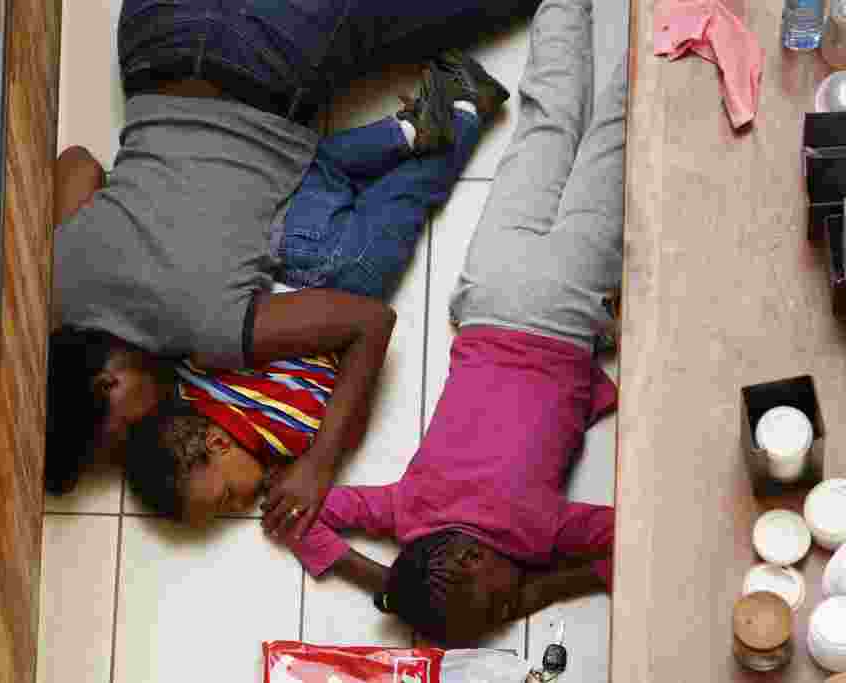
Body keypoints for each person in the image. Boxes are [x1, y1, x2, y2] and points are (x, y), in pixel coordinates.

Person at [47, 0, 540, 539]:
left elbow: (369, 322)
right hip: (152, 35)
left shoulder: (202, 332)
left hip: (266, 47)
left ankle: (451, 110)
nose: (136, 437)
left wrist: (321, 464)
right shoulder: (60, 282)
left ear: (108, 384)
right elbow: (76, 162)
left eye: (118, 437)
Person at [280, 0, 628, 646]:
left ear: (472, 561)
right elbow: (301, 517)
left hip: (563, 307)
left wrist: (542, 588)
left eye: (499, 608)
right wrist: (382, 581)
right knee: (546, 126)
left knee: (616, 141)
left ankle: (676, 33)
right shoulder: (405, 513)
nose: (510, 608)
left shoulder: (535, 531)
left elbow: (631, 539)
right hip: (488, 294)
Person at [120, 52, 510, 528]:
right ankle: (402, 132)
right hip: (279, 240)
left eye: (225, 498)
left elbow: (348, 387)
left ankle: (466, 105)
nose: (239, 505)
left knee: (406, 195)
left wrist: (314, 465)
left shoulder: (289, 435)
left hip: (344, 277)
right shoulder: (187, 381)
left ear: (219, 444)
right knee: (325, 169)